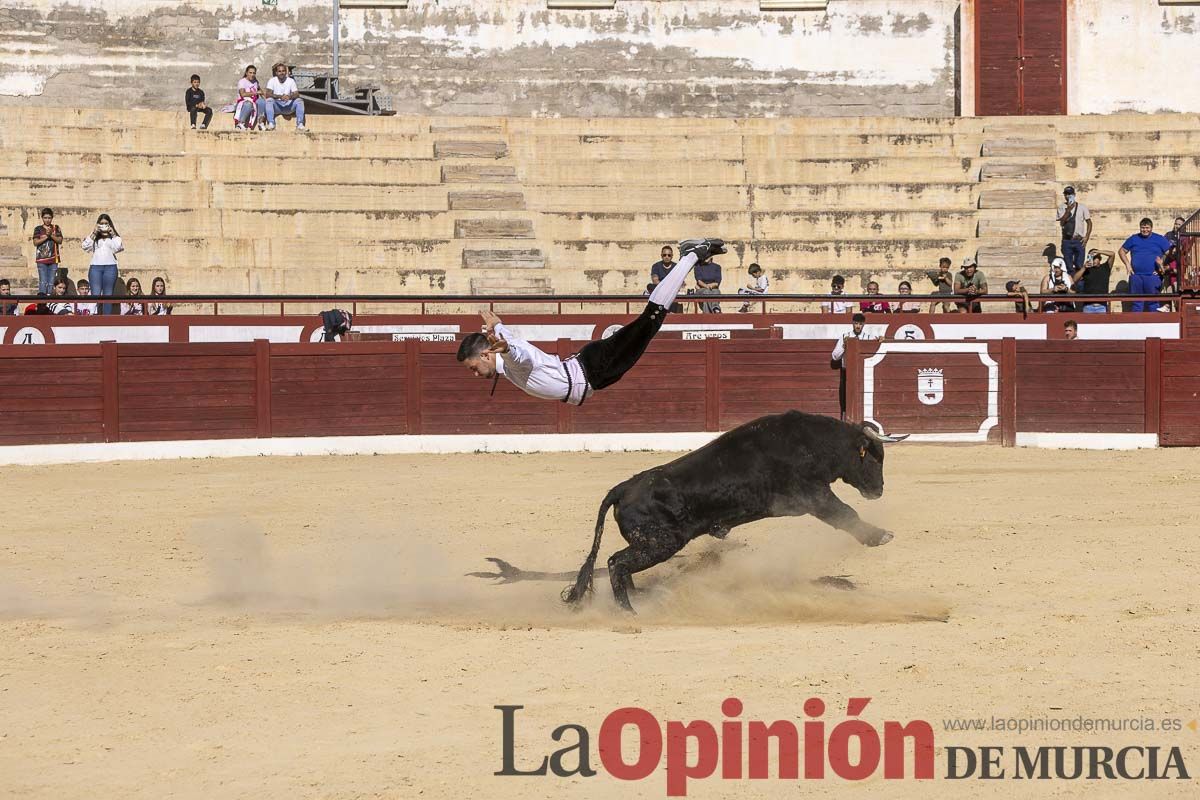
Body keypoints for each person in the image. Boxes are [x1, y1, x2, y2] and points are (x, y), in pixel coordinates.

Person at [456, 237, 727, 405]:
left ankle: (691, 254)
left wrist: (506, 346)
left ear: (486, 354)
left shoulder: (513, 360)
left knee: (651, 319)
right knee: (649, 320)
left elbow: (519, 355)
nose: (475, 374)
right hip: (592, 371)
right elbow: (512, 346)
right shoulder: (506, 359)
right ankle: (689, 255)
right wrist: (499, 327)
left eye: (473, 367)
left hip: (594, 369)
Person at [831, 312, 876, 421]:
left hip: (864, 375)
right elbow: (835, 357)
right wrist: (843, 346)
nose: (858, 326)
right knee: (845, 399)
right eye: (856, 323)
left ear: (863, 324)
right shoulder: (844, 337)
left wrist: (880, 340)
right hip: (847, 373)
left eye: (860, 324)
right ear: (852, 323)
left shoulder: (869, 338)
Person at [1120, 218, 1171, 313]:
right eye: (1143, 228)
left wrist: (1162, 266)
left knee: (1153, 303)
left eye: (1147, 228)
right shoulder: (1134, 238)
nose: (1145, 230)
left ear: (1151, 228)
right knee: (1136, 303)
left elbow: (1171, 254)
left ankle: (1154, 325)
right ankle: (1136, 325)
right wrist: (1127, 265)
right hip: (1136, 276)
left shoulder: (1159, 239)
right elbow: (1122, 251)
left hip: (1152, 276)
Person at [82, 213, 123, 315]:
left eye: (106, 223)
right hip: (96, 267)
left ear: (110, 224)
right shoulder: (95, 237)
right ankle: (93, 315)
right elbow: (85, 246)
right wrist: (94, 233)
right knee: (95, 294)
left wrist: (113, 234)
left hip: (110, 267)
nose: (104, 225)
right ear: (98, 224)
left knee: (108, 295)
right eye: (101, 223)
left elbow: (118, 247)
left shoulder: (113, 237)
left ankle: (106, 318)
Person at [1055, 186, 1091, 276]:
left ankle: (1080, 286)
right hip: (1067, 240)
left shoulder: (1082, 207)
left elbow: (1089, 223)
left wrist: (1086, 237)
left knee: (1079, 264)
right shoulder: (1062, 207)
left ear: (1074, 195)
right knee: (1069, 266)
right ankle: (1071, 286)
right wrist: (1068, 210)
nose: (1068, 196)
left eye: (1070, 194)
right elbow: (1062, 222)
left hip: (1079, 240)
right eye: (1066, 194)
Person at [264, 62, 306, 131]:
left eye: (283, 71)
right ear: (276, 72)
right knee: (269, 100)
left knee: (299, 101)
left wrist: (289, 97)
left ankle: (300, 125)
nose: (281, 73)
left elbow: (296, 94)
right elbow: (268, 94)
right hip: (277, 106)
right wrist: (280, 96)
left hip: (288, 106)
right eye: (279, 71)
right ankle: (271, 124)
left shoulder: (291, 81)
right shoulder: (272, 81)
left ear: (286, 72)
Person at [32, 207, 63, 296]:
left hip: (53, 259)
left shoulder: (56, 228)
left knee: (51, 282)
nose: (47, 220)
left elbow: (60, 240)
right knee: (43, 281)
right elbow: (35, 242)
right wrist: (46, 236)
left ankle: (49, 300)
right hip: (42, 260)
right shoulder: (38, 229)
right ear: (42, 218)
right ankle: (42, 301)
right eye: (45, 218)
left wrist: (51, 236)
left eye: (49, 218)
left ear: (52, 218)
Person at [1073, 249, 1114, 313]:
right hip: (1088, 306)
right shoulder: (1086, 269)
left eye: (1095, 258)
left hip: (1102, 306)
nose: (1093, 260)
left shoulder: (1105, 267)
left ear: (1099, 259)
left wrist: (1097, 251)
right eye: (1091, 257)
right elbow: (1075, 279)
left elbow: (1112, 254)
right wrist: (1084, 268)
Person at [648, 245, 681, 313]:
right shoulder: (656, 266)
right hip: (660, 289)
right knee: (650, 286)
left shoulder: (676, 266)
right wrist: (666, 287)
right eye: (664, 255)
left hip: (672, 289)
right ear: (661, 255)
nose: (666, 257)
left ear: (672, 256)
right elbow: (655, 280)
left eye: (669, 255)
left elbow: (678, 281)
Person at [234, 65, 267, 130]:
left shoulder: (255, 82)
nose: (252, 74)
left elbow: (261, 92)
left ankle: (260, 122)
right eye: (250, 72)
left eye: (254, 73)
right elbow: (243, 94)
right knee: (248, 104)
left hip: (253, 101)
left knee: (262, 102)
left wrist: (266, 100)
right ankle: (240, 123)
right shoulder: (242, 81)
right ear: (246, 73)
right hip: (243, 103)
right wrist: (256, 93)